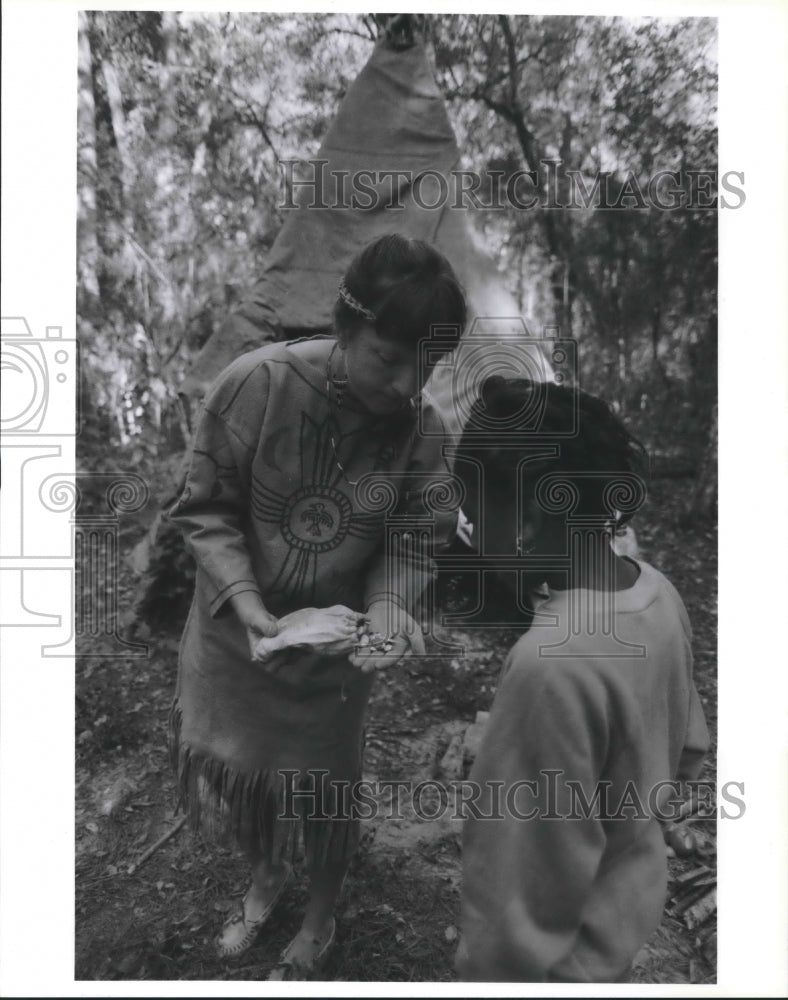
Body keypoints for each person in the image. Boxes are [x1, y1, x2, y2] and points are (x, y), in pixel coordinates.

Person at [167, 233, 466, 978]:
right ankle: (265, 875)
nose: (405, 385)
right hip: (238, 640)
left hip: (332, 655)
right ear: (346, 326)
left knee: (325, 786)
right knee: (249, 773)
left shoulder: (423, 431)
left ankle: (322, 914)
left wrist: (392, 608)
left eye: (425, 368)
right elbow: (206, 508)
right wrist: (246, 601)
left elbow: (414, 537)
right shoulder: (256, 386)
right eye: (389, 359)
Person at [453, 375, 709, 983]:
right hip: (619, 925)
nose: (465, 528)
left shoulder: (548, 667)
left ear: (530, 517)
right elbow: (687, 740)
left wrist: (486, 971)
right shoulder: (656, 593)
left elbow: (516, 875)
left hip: (554, 966)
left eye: (472, 508)